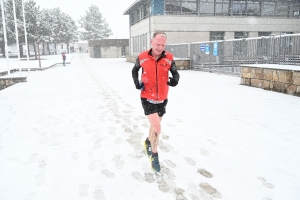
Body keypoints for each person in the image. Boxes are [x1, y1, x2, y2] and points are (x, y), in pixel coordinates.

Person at [132, 31, 180, 173]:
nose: (160, 47)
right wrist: (137, 82)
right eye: (158, 44)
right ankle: (154, 155)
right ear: (151, 42)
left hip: (162, 98)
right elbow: (134, 70)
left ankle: (148, 141)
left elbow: (175, 73)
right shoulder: (142, 57)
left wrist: (175, 80)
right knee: (158, 128)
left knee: (155, 127)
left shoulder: (169, 58)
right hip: (147, 97)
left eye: (163, 45)